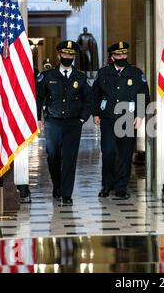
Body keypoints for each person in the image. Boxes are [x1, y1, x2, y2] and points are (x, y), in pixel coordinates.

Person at [36, 40, 93, 206]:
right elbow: (39, 97)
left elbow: (88, 100)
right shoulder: (47, 76)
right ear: (59, 55)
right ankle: (57, 185)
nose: (68, 57)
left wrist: (82, 118)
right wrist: (39, 118)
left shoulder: (80, 77)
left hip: (73, 123)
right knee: (53, 156)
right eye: (65, 54)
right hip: (53, 122)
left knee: (70, 158)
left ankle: (67, 193)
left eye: (71, 54)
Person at [93, 41, 150, 199]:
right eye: (118, 55)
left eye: (124, 54)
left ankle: (121, 188)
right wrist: (95, 113)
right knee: (108, 152)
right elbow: (95, 94)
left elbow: (143, 95)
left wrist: (139, 115)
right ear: (112, 56)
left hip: (127, 118)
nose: (121, 57)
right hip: (108, 118)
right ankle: (107, 185)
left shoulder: (136, 73)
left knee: (125, 154)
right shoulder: (104, 73)